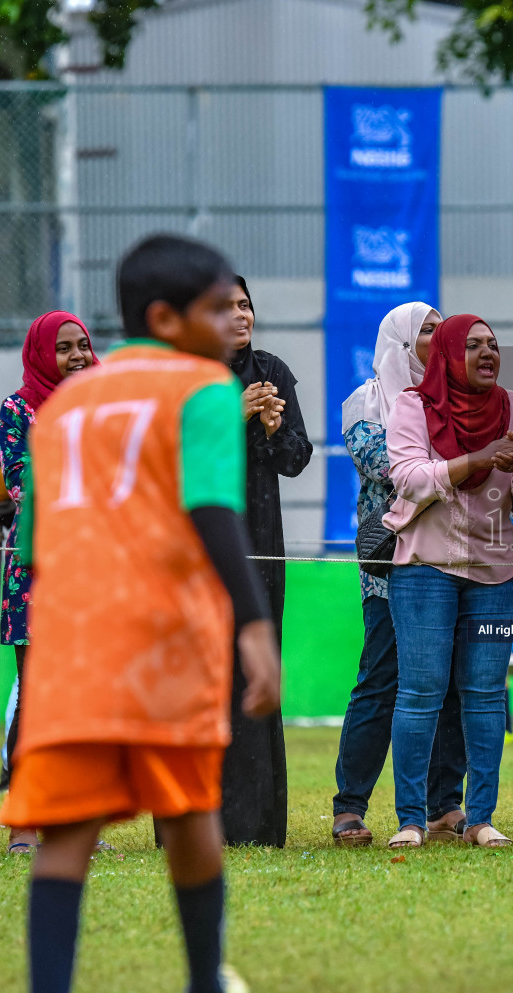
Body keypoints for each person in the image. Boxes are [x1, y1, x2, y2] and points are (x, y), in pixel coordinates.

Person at [0, 234, 282, 993]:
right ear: (166, 317)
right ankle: (202, 989)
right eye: (216, 306)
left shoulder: (63, 409)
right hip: (167, 637)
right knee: (192, 810)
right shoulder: (204, 391)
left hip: (72, 641)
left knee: (68, 829)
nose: (231, 318)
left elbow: (37, 542)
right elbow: (214, 514)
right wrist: (254, 624)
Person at [382, 313, 513, 849]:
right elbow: (406, 476)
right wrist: (474, 459)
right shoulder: (414, 405)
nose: (487, 354)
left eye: (494, 346)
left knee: (484, 697)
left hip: (495, 570)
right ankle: (411, 819)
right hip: (424, 566)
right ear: (447, 356)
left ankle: (480, 817)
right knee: (420, 694)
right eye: (473, 345)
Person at [334, 302, 468, 846]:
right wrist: (454, 463)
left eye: (442, 329)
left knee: (454, 682)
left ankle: (442, 805)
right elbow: (388, 466)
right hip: (392, 564)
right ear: (401, 340)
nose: (438, 340)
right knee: (384, 680)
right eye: (426, 331)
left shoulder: (459, 398)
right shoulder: (366, 401)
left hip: (453, 557)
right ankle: (350, 808)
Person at [0, 310, 98, 854]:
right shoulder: (18, 411)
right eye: (64, 348)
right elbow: (21, 487)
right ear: (41, 354)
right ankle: (25, 823)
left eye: (83, 344)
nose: (78, 356)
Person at [221, 276, 312, 847]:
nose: (241, 316)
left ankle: (256, 825)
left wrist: (276, 430)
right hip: (198, 551)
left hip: (260, 546)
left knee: (255, 677)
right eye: (227, 308)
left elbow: (298, 458)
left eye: (246, 305)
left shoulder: (272, 371)